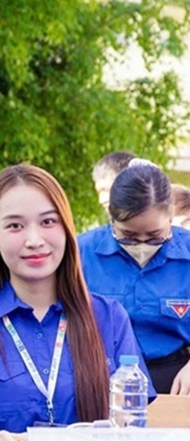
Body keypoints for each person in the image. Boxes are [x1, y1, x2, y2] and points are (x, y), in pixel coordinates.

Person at [0, 164, 151, 441]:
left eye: (48, 221)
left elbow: (132, 437)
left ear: (66, 228)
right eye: (15, 226)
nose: (34, 240)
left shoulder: (109, 318)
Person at [79, 163, 190, 394]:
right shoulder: (82, 253)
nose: (141, 245)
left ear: (170, 218)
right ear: (111, 219)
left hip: (176, 378)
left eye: (154, 236)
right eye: (128, 236)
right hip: (101, 375)